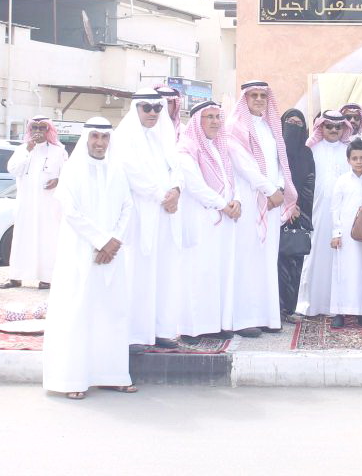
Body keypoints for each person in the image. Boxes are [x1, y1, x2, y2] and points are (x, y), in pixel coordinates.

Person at [43, 118, 136, 400]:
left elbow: (127, 207)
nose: (100, 143)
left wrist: (114, 240)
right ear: (86, 139)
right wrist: (101, 241)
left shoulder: (117, 169)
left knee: (112, 312)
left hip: (111, 254)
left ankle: (113, 376)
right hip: (80, 253)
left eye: (104, 138)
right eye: (95, 137)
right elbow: (71, 212)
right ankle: (72, 379)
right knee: (77, 313)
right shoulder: (72, 171)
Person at [114, 88, 185, 349]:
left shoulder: (163, 137)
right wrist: (162, 196)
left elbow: (177, 167)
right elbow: (132, 173)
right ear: (136, 109)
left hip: (166, 215)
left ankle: (162, 330)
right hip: (140, 216)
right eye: (147, 108)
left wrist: (176, 190)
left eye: (157, 108)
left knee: (165, 272)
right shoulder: (123, 138)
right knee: (138, 274)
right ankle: (134, 335)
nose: (153, 113)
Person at [228, 81, 298, 337]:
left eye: (262, 95)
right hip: (249, 199)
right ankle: (244, 319)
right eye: (253, 95)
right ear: (245, 99)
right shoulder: (235, 126)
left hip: (271, 201)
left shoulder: (270, 127)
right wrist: (269, 190)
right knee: (248, 259)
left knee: (267, 260)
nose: (259, 99)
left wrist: (277, 188)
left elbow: (279, 162)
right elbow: (243, 165)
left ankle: (267, 317)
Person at [177, 101, 243, 340]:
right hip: (200, 219)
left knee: (219, 273)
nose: (215, 122)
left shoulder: (219, 147)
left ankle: (215, 325)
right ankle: (192, 329)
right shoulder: (186, 148)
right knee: (198, 272)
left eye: (218, 117)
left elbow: (231, 179)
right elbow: (195, 186)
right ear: (197, 121)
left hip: (223, 220)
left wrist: (237, 200)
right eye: (210, 117)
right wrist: (223, 205)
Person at [1, 116, 67, 290]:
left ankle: (47, 278)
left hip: (48, 206)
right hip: (26, 205)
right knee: (21, 240)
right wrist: (27, 150)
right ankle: (15, 277)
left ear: (48, 130)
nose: (38, 131)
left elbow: (68, 176)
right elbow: (13, 169)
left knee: (48, 241)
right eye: (34, 128)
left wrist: (58, 180)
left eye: (42, 128)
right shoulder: (22, 149)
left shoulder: (58, 151)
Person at [298, 110, 352, 317]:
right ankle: (310, 303)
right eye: (329, 126)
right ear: (321, 127)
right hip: (316, 210)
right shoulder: (311, 149)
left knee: (341, 256)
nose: (334, 130)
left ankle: (339, 305)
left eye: (338, 127)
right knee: (314, 255)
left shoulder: (348, 150)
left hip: (343, 212)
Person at [329, 139, 362, 328]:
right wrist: (336, 233)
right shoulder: (342, 181)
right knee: (343, 272)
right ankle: (340, 312)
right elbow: (335, 208)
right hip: (345, 235)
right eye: (354, 158)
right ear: (348, 160)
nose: (358, 162)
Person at [279, 108, 315, 322]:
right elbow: (274, 178)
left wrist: (298, 206)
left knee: (294, 263)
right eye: (289, 122)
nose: (293, 127)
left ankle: (288, 310)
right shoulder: (276, 149)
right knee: (275, 264)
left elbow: (309, 181)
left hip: (298, 215)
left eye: (298, 123)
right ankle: (273, 310)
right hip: (275, 211)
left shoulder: (306, 153)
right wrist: (286, 205)